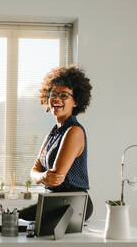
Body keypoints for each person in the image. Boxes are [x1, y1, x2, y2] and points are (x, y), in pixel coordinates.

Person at [19, 65, 93, 221]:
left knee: (15, 219)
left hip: (72, 203)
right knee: (11, 218)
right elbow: (34, 171)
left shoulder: (74, 131)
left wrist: (41, 176)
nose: (57, 99)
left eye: (64, 95)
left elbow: (56, 177)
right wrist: (43, 175)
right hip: (53, 200)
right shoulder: (53, 132)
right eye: (53, 94)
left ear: (76, 101)